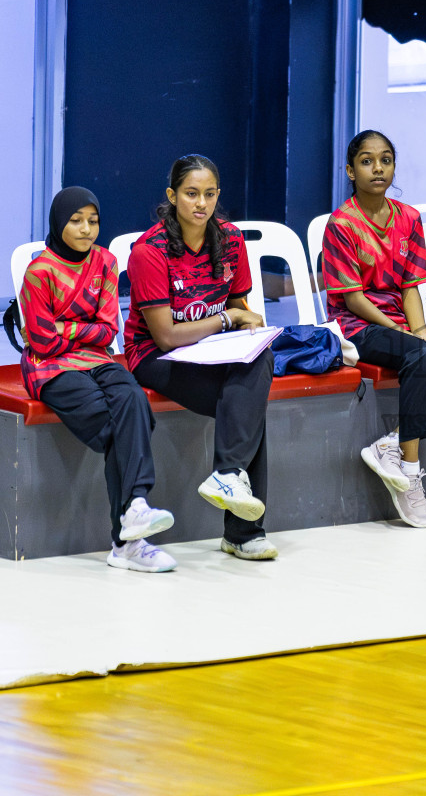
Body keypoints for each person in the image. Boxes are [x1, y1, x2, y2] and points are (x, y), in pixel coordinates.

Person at [322, 130, 426, 526]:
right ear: (350, 170)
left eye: (386, 159)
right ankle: (410, 475)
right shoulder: (341, 224)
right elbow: (354, 299)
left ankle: (392, 442)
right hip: (357, 326)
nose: (378, 168)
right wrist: (412, 338)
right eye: (366, 160)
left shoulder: (408, 217)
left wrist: (421, 331)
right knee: (421, 353)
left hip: (403, 323)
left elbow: (412, 285)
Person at [124, 155, 275, 560]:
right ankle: (243, 533)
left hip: (210, 348)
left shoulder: (230, 240)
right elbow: (167, 336)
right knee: (245, 408)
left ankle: (227, 477)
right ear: (173, 196)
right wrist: (227, 318)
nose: (201, 204)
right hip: (155, 356)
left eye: (209, 195)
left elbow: (241, 304)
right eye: (191, 194)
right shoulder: (149, 251)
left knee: (260, 361)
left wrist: (247, 326)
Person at [20, 187, 177, 572]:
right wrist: (78, 329)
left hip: (97, 358)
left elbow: (107, 331)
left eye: (93, 221)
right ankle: (127, 541)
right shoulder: (39, 272)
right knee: (116, 430)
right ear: (59, 223)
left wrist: (65, 328)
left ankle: (136, 506)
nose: (86, 229)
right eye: (76, 221)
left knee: (134, 400)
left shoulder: (106, 262)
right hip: (49, 367)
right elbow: (41, 340)